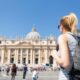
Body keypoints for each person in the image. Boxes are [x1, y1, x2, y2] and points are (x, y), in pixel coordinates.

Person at [53, 13, 78, 80]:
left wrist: (54, 54)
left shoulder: (63, 37)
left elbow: (65, 63)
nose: (58, 28)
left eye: (58, 26)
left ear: (62, 26)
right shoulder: (77, 38)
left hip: (66, 77)